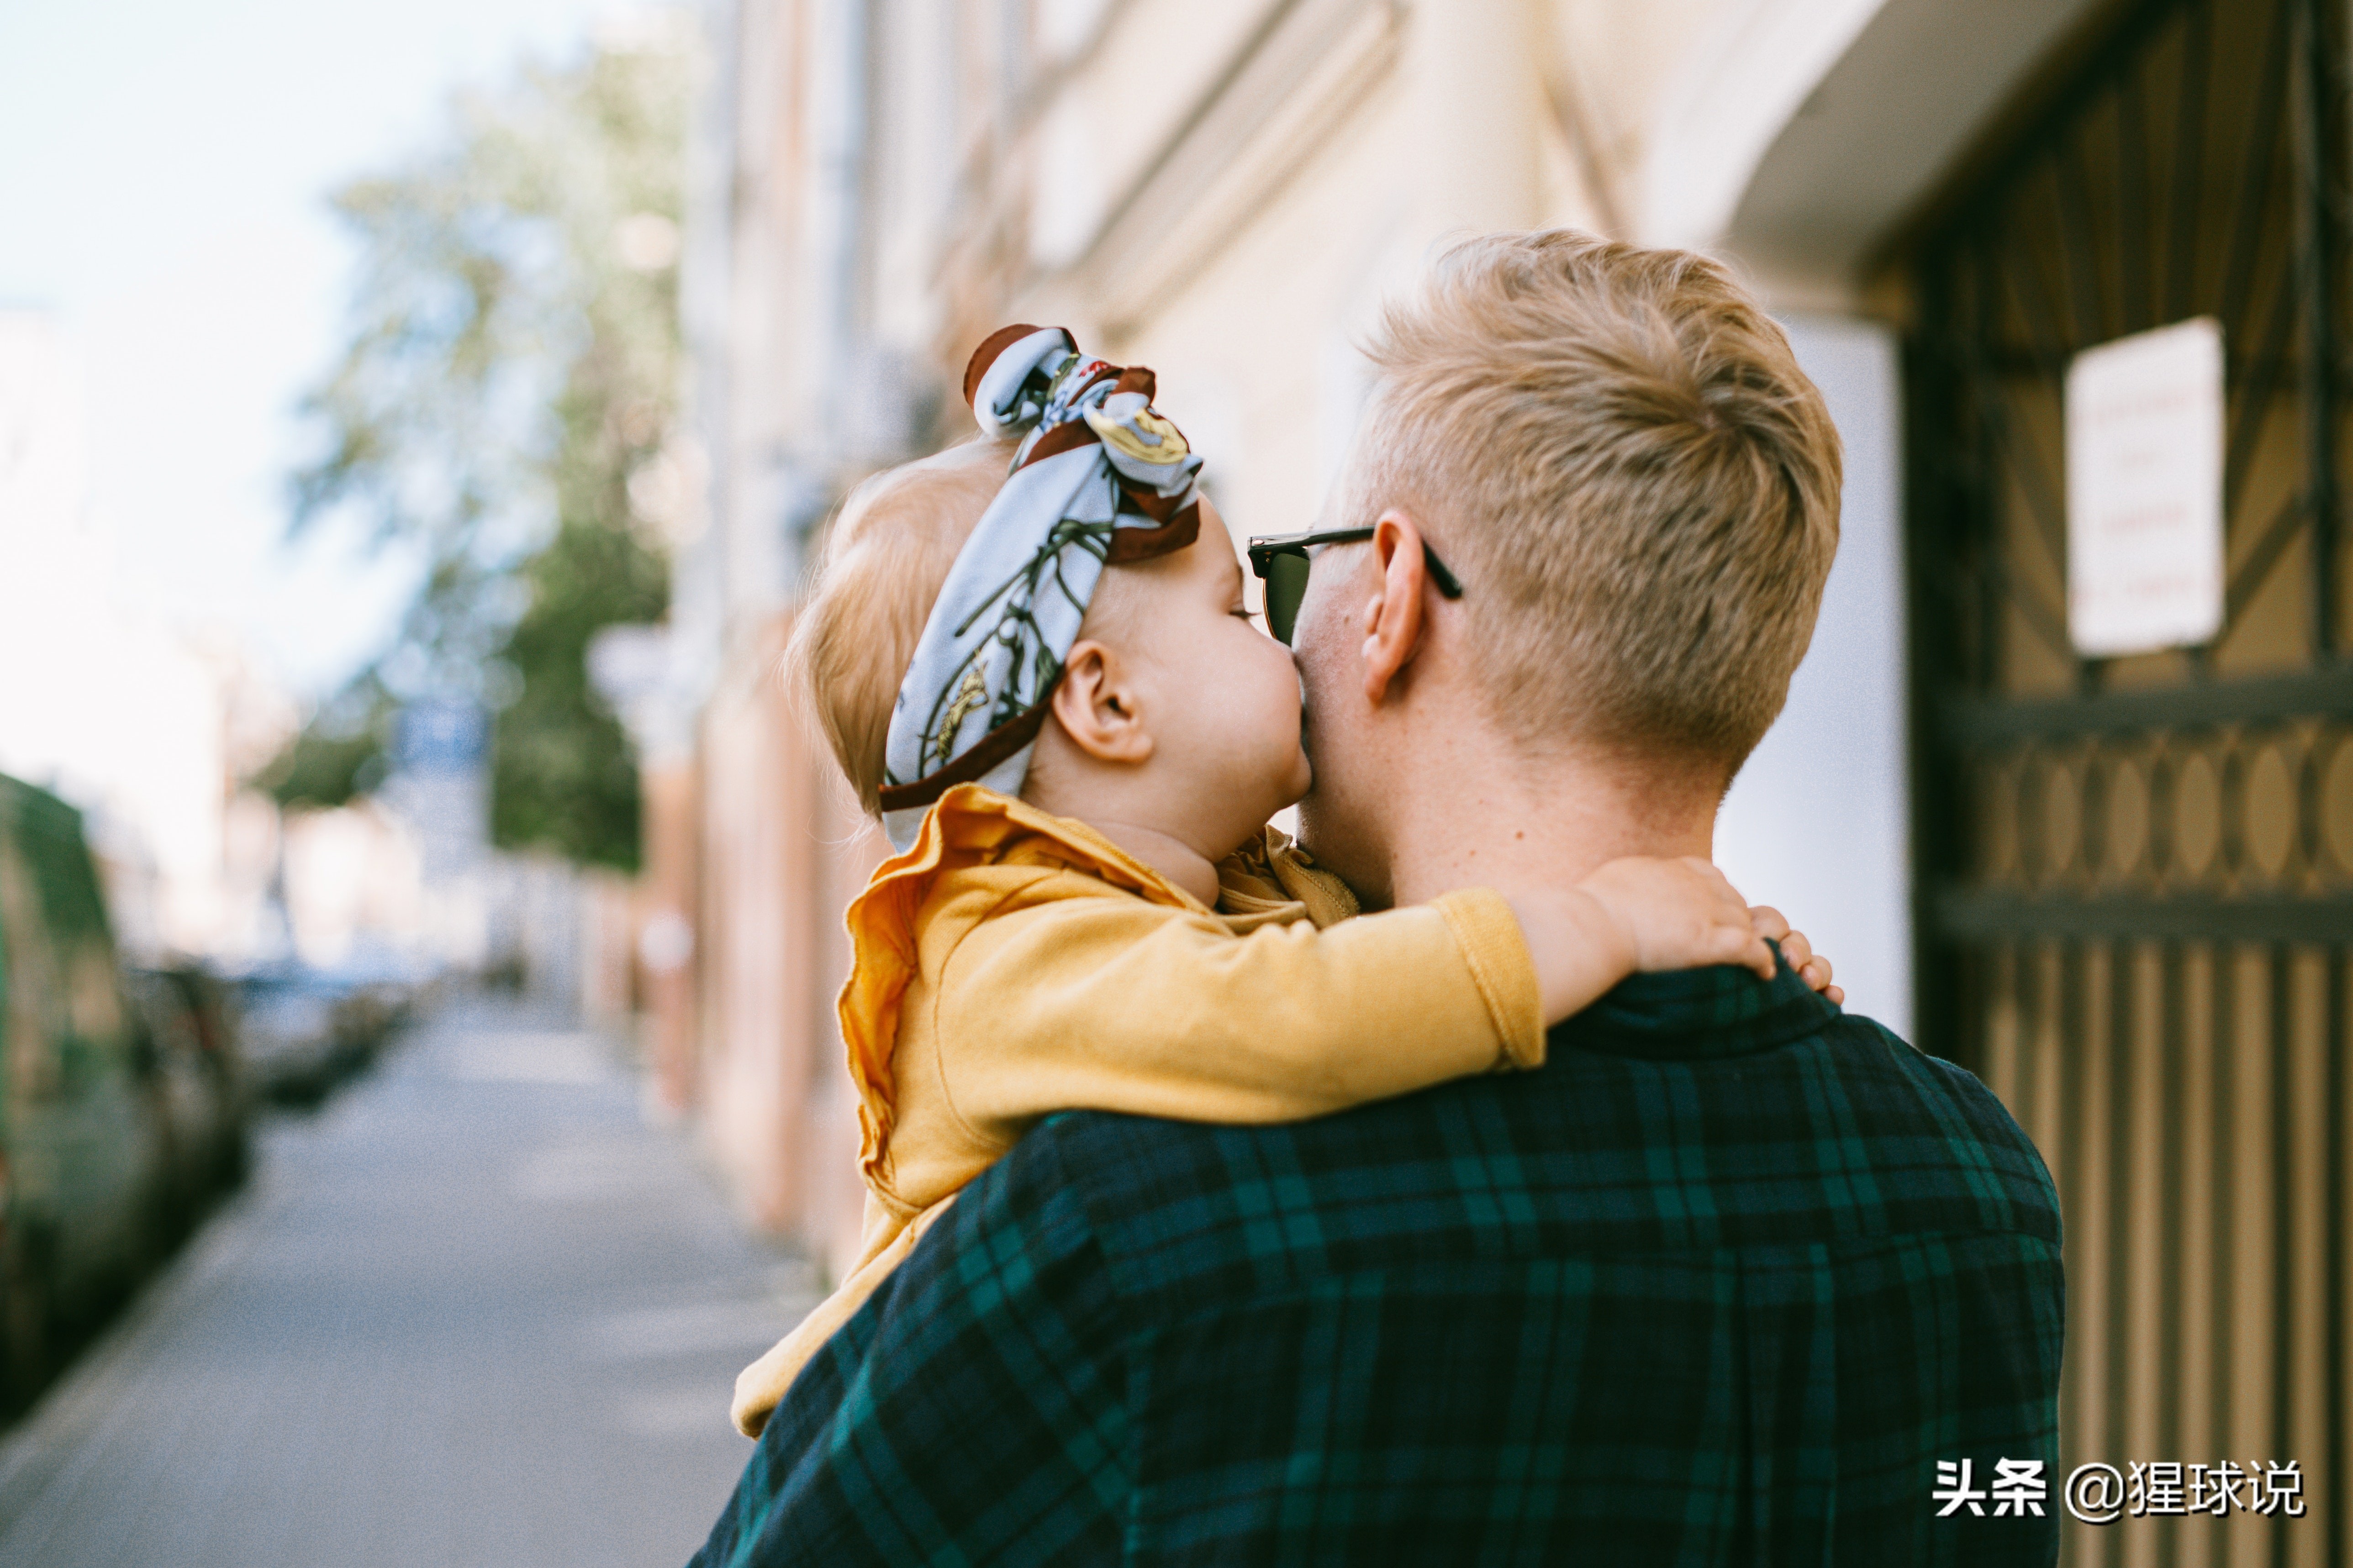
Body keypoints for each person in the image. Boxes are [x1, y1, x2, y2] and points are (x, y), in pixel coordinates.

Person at [692, 233, 2062, 1566]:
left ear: (1393, 596)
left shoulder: (1127, 1217)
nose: (1281, 638)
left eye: (1282, 584)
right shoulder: (1974, 1181)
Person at [727, 323, 1840, 1438]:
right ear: (1107, 705)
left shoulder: (1232, 892)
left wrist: (1701, 938)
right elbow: (1306, 1016)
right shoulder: (1010, 952)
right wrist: (1604, 923)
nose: (1290, 646)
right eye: (1236, 611)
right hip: (931, 1449)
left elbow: (1392, 966)